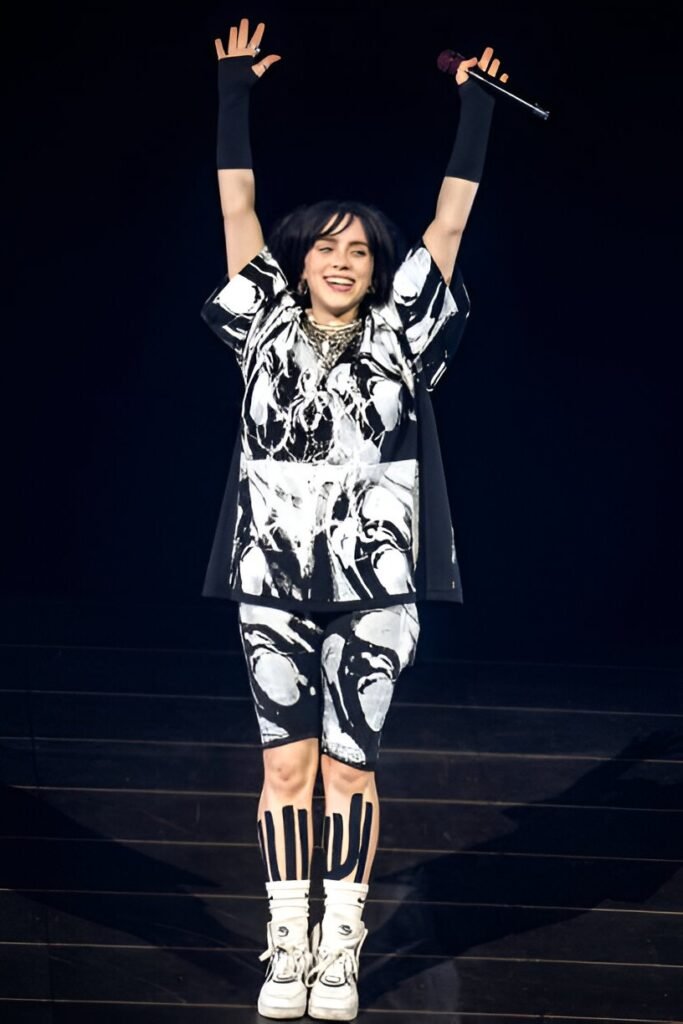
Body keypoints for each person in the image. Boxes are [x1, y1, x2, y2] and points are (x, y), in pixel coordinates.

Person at [200, 16, 508, 1021]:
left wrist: (474, 108)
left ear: (377, 267)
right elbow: (237, 203)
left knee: (348, 766)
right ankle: (284, 939)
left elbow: (450, 223)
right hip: (271, 579)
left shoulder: (404, 330)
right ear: (298, 262)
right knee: (282, 767)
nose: (342, 259)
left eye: (358, 250)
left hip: (375, 582)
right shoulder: (264, 318)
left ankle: (342, 944)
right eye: (325, 247)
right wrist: (234, 92)